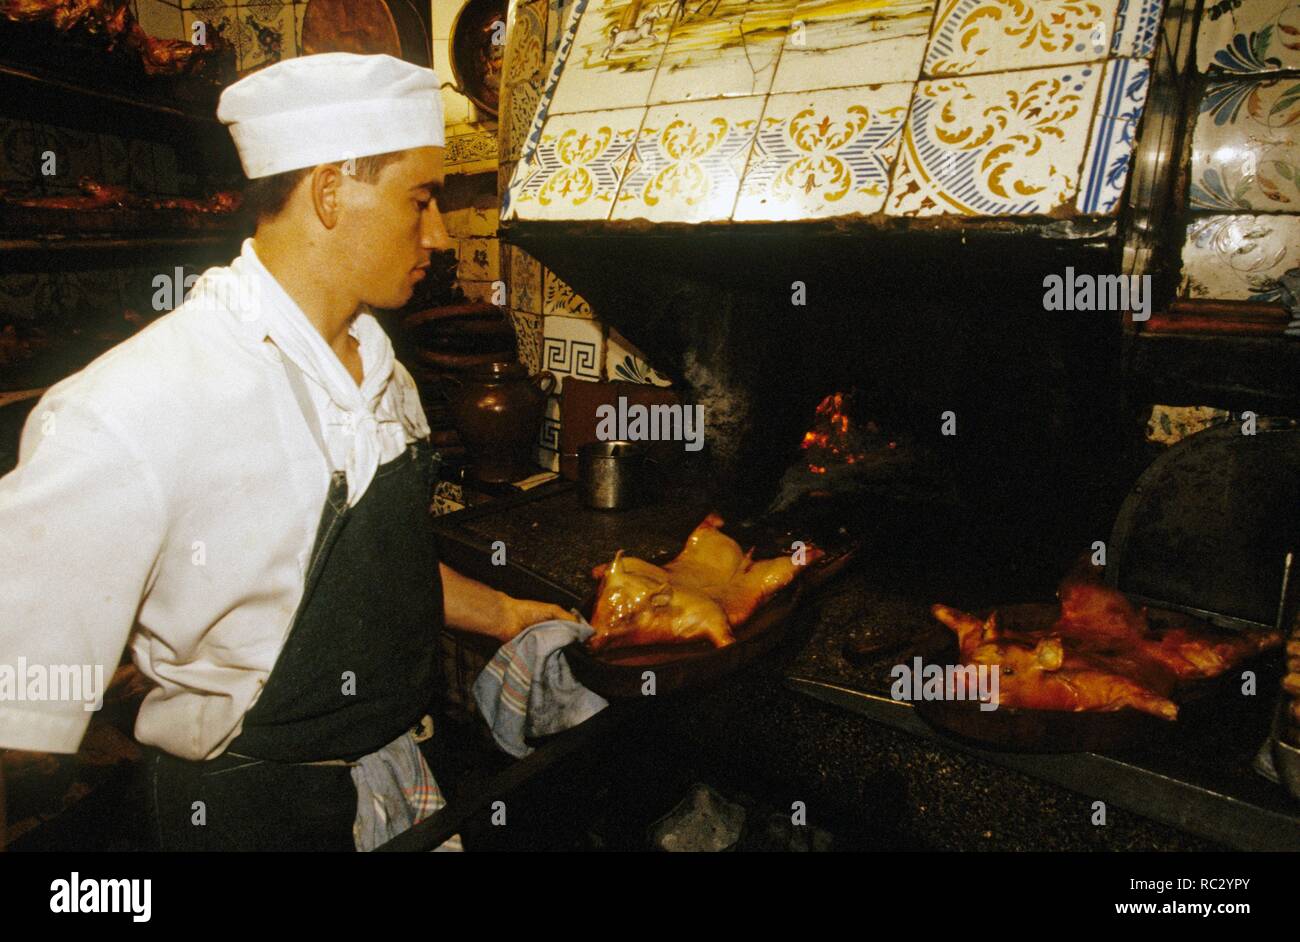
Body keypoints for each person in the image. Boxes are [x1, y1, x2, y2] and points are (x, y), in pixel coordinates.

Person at [0, 53, 569, 851]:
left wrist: (506, 614)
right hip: (245, 815)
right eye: (421, 199)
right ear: (332, 190)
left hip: (390, 779)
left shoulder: (382, 367)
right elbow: (17, 702)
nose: (439, 235)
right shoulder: (134, 405)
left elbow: (369, 569)